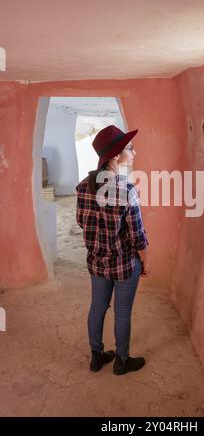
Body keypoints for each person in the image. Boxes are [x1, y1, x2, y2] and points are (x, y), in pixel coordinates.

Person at [76, 124, 149, 375]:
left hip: (96, 262)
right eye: (130, 148)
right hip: (123, 263)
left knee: (97, 307)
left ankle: (96, 356)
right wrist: (144, 260)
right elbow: (137, 236)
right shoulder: (126, 190)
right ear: (117, 156)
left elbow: (81, 222)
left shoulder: (83, 186)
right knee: (122, 312)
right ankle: (122, 360)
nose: (134, 152)